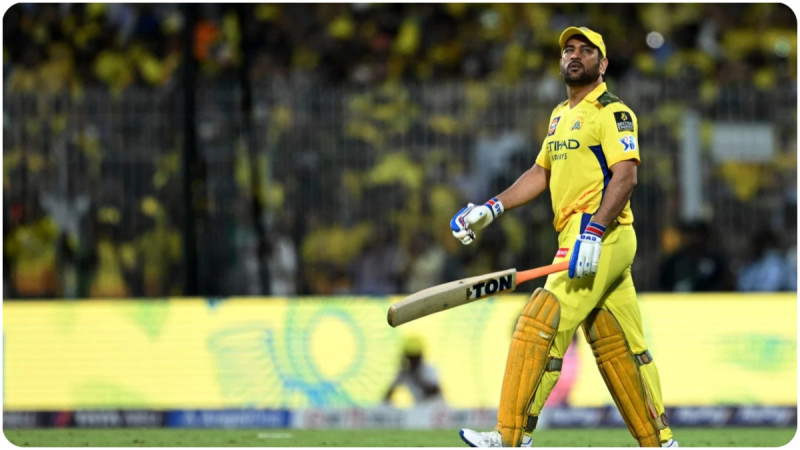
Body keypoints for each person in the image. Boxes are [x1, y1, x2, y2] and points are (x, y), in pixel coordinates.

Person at [450, 27, 677, 447]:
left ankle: (510, 436)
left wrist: (594, 231)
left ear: (602, 64)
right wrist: (491, 208)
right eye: (568, 50)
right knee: (619, 346)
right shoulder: (559, 115)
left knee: (539, 323)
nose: (575, 55)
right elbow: (541, 172)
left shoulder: (613, 112)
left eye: (586, 51)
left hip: (601, 233)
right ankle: (660, 442)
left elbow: (626, 177)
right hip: (581, 236)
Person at [383, 335, 444, 406]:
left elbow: (434, 393)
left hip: (435, 408)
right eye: (410, 358)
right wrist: (401, 371)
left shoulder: (429, 369)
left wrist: (416, 375)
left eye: (415, 358)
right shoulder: (404, 372)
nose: (413, 361)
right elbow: (387, 395)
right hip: (419, 408)